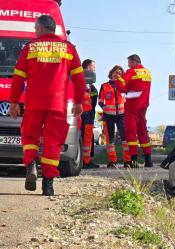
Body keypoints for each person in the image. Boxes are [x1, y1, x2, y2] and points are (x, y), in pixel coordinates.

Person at [9, 14, 85, 195]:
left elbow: (18, 77)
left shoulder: (30, 48)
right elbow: (79, 78)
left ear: (41, 28)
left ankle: (31, 165)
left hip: (34, 103)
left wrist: (13, 101)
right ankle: (48, 184)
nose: (35, 32)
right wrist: (79, 101)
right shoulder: (69, 49)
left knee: (29, 137)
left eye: (35, 29)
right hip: (58, 104)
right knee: (53, 143)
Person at [115, 54, 152, 168]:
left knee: (131, 131)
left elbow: (122, 85)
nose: (128, 65)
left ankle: (134, 159)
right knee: (143, 131)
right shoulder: (148, 72)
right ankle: (148, 159)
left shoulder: (132, 72)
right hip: (143, 105)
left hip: (132, 105)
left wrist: (117, 80)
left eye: (129, 63)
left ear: (134, 62)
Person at [98, 65, 131, 168]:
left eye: (120, 73)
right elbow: (100, 101)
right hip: (108, 116)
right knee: (110, 139)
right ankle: (112, 161)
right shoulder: (104, 86)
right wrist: (105, 108)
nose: (118, 74)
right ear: (112, 73)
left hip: (122, 115)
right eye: (116, 72)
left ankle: (128, 161)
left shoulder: (124, 85)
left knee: (125, 138)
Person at [81, 59, 99, 169]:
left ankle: (87, 160)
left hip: (88, 114)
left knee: (88, 137)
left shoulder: (92, 86)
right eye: (93, 67)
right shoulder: (79, 79)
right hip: (82, 114)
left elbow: (94, 100)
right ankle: (85, 161)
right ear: (87, 67)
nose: (95, 69)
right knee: (85, 137)